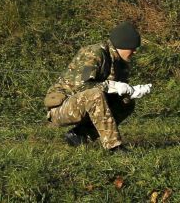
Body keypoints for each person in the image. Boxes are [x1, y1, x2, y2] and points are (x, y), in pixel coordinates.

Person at [43, 21, 152, 151]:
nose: (134, 51)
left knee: (126, 102)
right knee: (95, 94)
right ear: (122, 44)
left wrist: (131, 91)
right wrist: (113, 86)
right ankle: (114, 146)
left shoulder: (120, 62)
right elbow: (83, 86)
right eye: (132, 47)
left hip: (87, 104)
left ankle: (79, 135)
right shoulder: (94, 53)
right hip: (62, 107)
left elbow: (114, 91)